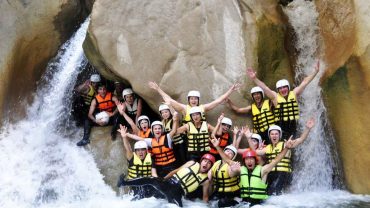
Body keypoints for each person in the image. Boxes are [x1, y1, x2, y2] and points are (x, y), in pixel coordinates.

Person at [246, 61, 319, 138]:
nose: (283, 89)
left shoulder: (294, 93)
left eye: (284, 87)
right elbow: (265, 88)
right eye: (280, 88)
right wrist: (254, 78)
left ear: (288, 88)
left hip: (293, 127)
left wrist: (315, 72)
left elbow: (305, 82)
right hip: (280, 129)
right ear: (278, 90)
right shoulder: (275, 97)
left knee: (292, 144)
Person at [117, 153, 216, 207]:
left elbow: (206, 197)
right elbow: (175, 171)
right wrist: (162, 180)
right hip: (170, 183)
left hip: (178, 194)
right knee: (152, 179)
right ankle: (124, 182)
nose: (206, 164)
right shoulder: (192, 163)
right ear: (201, 161)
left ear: (210, 167)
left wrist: (207, 205)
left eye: (209, 163)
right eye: (205, 161)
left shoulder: (206, 180)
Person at [255, 118, 315, 195]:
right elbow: (254, 152)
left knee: (274, 193)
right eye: (272, 134)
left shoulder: (286, 144)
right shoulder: (267, 148)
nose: (274, 136)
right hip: (271, 174)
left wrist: (307, 128)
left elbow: (300, 140)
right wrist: (248, 138)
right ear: (269, 136)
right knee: (266, 192)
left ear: (279, 135)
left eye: (276, 134)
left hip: (283, 173)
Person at [148, 81, 240, 124]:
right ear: (188, 100)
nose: (194, 100)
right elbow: (169, 100)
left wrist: (231, 90)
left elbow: (218, 100)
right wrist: (158, 89)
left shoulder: (203, 108)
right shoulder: (184, 108)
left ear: (198, 100)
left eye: (195, 99)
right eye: (191, 99)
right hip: (188, 136)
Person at [119, 128, 158, 200]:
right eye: (138, 150)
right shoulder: (132, 158)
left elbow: (154, 174)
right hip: (135, 185)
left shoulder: (151, 159)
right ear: (135, 152)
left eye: (143, 150)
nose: (140, 152)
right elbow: (128, 148)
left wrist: (158, 182)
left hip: (148, 185)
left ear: (146, 151)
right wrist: (124, 137)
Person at [208, 143, 240, 207]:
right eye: (227, 151)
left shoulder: (232, 165)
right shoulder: (217, 163)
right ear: (223, 152)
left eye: (231, 153)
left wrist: (235, 171)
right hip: (218, 193)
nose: (228, 153)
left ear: (233, 157)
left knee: (222, 203)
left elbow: (232, 173)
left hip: (231, 194)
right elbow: (209, 178)